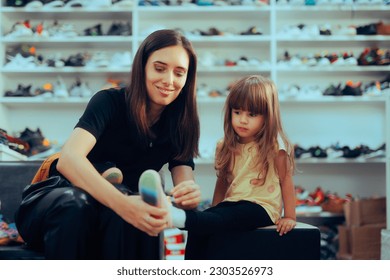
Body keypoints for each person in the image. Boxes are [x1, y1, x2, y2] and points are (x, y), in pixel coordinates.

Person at [15, 29, 201, 260]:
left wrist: (188, 195)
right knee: (80, 205)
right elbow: (69, 159)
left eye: (179, 73)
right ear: (142, 67)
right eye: (159, 68)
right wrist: (123, 204)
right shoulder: (109, 101)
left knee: (138, 211)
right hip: (60, 200)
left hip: (115, 210)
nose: (169, 80)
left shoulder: (183, 123)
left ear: (188, 78)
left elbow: (184, 184)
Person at [140, 75, 297, 259]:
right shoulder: (226, 145)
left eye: (251, 114)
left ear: (267, 116)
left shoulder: (274, 145)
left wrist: (290, 216)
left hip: (261, 207)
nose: (242, 120)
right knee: (202, 226)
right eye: (237, 112)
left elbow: (286, 180)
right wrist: (214, 212)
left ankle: (177, 217)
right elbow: (222, 181)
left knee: (225, 216)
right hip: (231, 205)